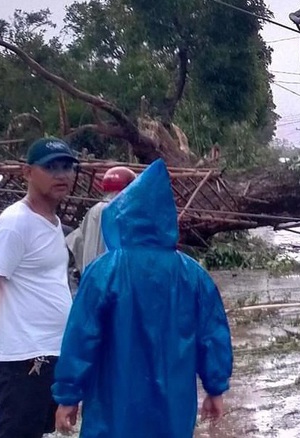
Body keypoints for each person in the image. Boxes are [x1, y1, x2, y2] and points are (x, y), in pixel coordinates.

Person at [52, 159, 232, 437]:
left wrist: (68, 396)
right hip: (173, 403)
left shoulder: (104, 271)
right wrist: (215, 388)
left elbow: (81, 336)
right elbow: (212, 335)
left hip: (113, 403)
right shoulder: (193, 275)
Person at [0, 137, 78, 438]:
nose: (62, 174)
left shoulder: (52, 222)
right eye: (51, 167)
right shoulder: (16, 223)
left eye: (68, 167)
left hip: (48, 351)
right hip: (23, 357)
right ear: (27, 172)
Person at [66, 166, 135, 273]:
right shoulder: (125, 211)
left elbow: (77, 242)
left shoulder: (94, 210)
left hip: (91, 277)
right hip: (114, 277)